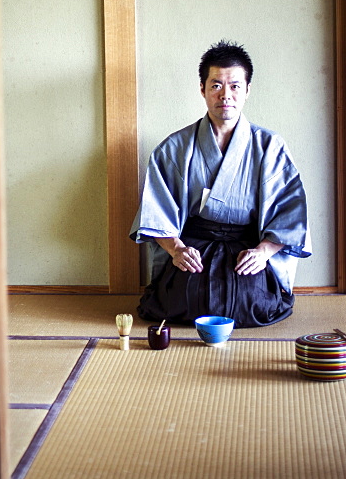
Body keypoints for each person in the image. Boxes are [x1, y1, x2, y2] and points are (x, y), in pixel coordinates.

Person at [129, 40, 311, 328]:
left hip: (247, 246)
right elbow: (156, 211)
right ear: (202, 89)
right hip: (195, 245)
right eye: (216, 85)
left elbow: (289, 210)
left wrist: (263, 252)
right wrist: (177, 251)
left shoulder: (270, 146)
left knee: (252, 303)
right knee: (187, 297)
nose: (225, 95)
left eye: (235, 86)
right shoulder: (175, 147)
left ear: (248, 90)